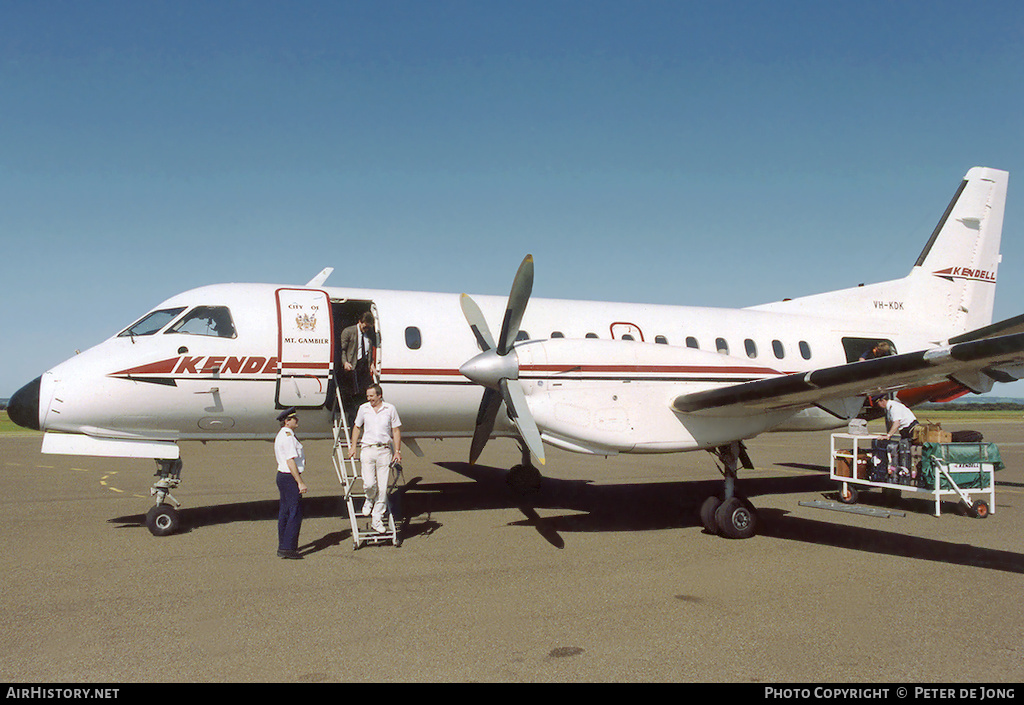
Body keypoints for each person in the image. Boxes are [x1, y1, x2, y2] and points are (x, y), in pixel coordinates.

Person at [347, 384, 402, 534]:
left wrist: (397, 451)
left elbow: (396, 430)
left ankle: (377, 518)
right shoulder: (363, 408)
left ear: (379, 395)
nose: (369, 398)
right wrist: (353, 447)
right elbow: (357, 427)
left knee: (383, 488)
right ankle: (370, 498)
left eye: (371, 396)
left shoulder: (390, 409)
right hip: (367, 449)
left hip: (384, 450)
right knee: (370, 483)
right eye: (368, 396)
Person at [275, 407, 308, 559]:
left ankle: (284, 545)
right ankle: (288, 548)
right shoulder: (288, 437)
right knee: (295, 512)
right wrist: (300, 482)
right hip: (289, 477)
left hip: (283, 476)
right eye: (294, 418)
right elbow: (290, 461)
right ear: (287, 421)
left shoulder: (284, 434)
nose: (297, 420)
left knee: (285, 512)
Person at [338, 312, 377, 421]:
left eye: (369, 327)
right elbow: (342, 350)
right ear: (359, 322)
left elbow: (368, 351)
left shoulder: (368, 335)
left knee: (363, 394)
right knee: (352, 394)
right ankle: (352, 419)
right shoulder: (348, 332)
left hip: (363, 367)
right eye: (365, 326)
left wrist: (371, 364)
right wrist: (345, 362)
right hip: (352, 367)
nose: (366, 329)